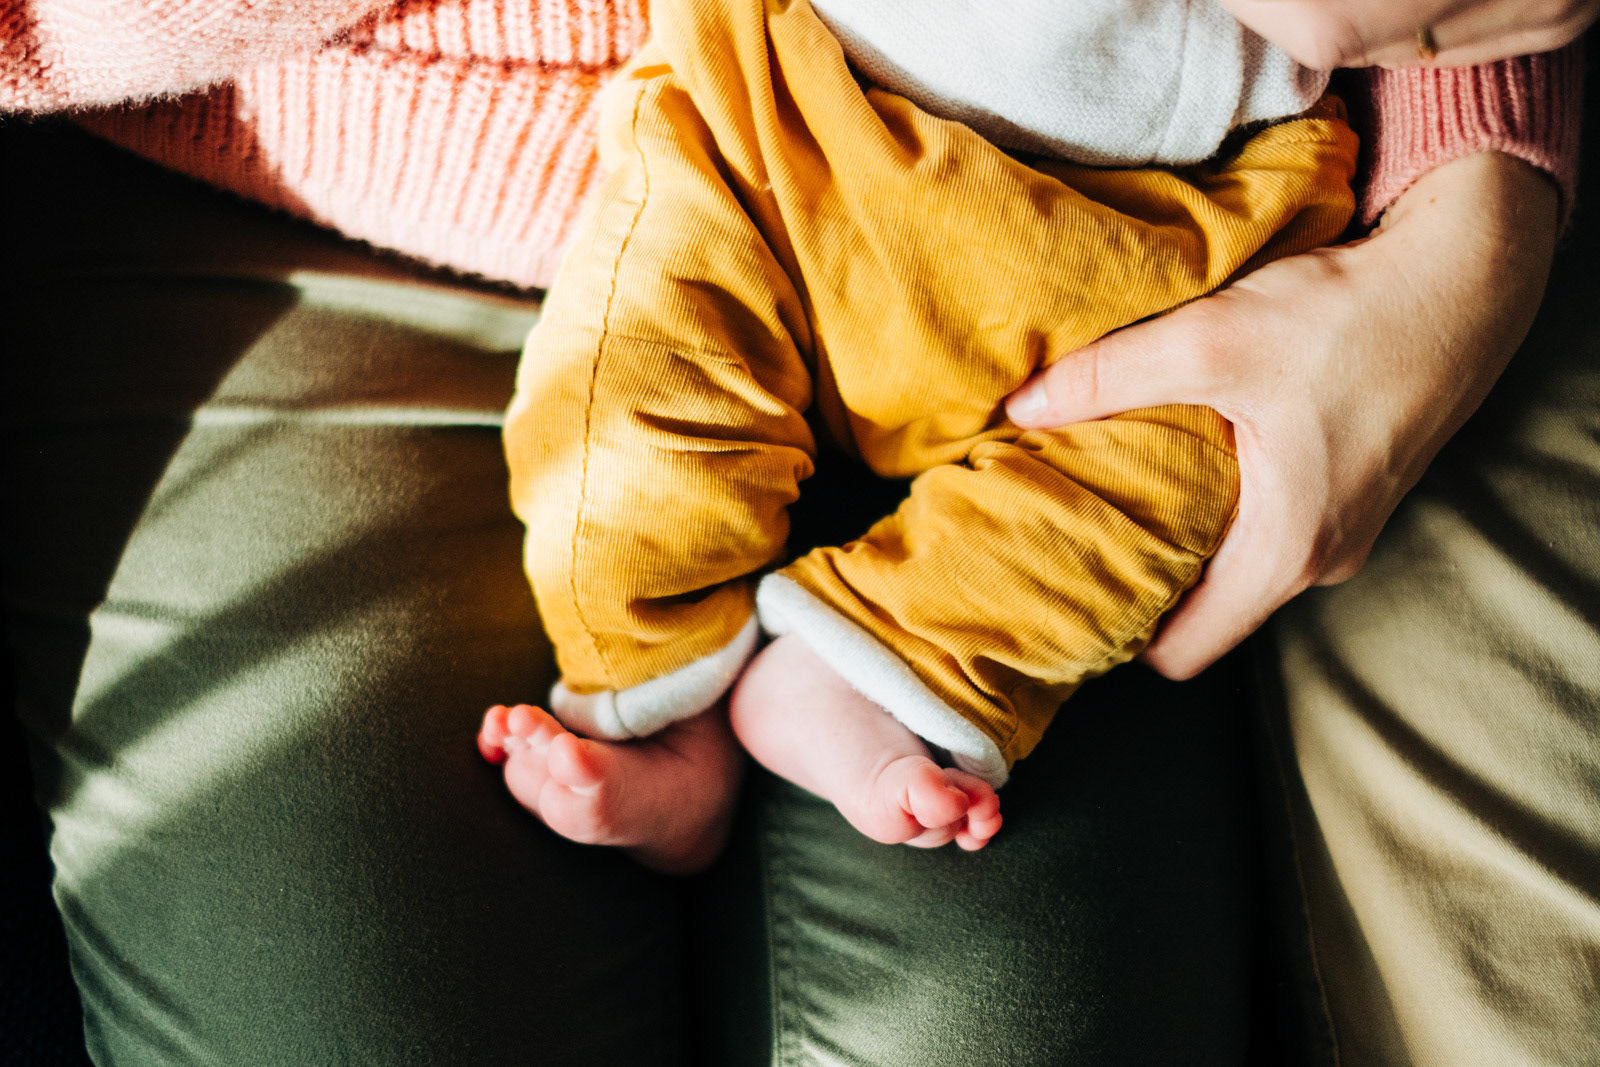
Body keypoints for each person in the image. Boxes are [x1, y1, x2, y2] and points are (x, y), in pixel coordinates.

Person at [1, 1, 1588, 1064]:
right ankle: (654, 681)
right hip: (701, 142)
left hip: (1147, 222)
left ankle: (887, 663)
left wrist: (1471, 181)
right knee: (357, 1001)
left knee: (1018, 1011)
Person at [476, 0, 1357, 871]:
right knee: (629, 386)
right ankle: (664, 704)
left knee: (1191, 452)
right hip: (798, 123)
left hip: (1163, 230)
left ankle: (874, 662)